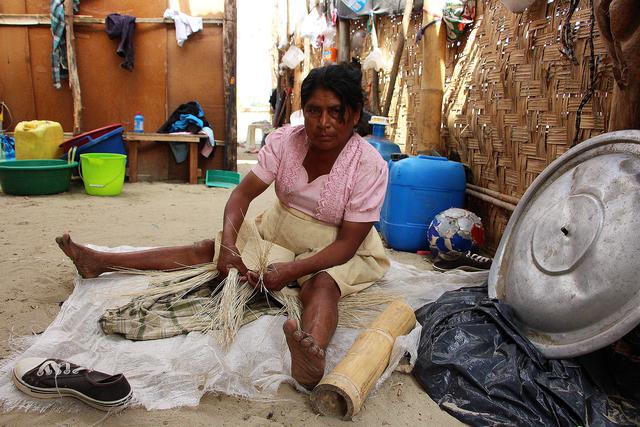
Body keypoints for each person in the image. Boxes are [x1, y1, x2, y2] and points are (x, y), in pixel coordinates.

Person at [56, 63, 390, 388]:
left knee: (320, 286)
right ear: (303, 111)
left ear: (355, 113)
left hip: (337, 248)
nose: (323, 123)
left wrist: (292, 271)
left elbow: (347, 244)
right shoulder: (286, 141)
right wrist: (229, 244)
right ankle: (99, 262)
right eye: (314, 111)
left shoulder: (368, 165)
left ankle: (310, 355)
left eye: (335, 111)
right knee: (209, 250)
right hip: (281, 228)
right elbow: (242, 195)